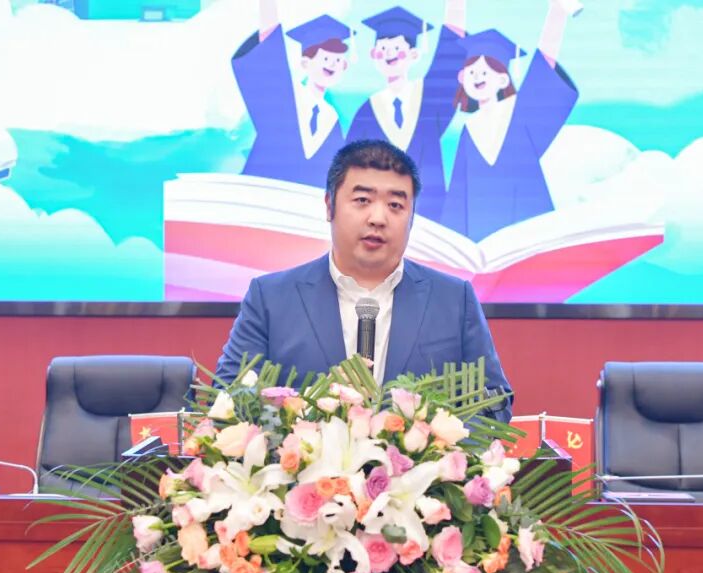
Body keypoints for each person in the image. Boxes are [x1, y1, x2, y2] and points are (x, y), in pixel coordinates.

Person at [215, 139, 512, 423]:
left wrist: (436, 445)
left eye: (395, 205)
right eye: (362, 200)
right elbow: (228, 401)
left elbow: (493, 405)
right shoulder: (271, 298)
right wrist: (307, 418)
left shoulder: (453, 299)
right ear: (329, 205)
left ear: (412, 217)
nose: (378, 218)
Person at [439, 0, 579, 242]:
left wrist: (556, 13)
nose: (477, 77)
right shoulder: (470, 128)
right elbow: (459, 195)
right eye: (471, 72)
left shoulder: (518, 112)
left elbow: (542, 68)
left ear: (503, 80)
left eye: (485, 72)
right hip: (481, 237)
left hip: (526, 231)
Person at [346, 3, 467, 224]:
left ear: (414, 55)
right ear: (373, 55)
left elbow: (450, 54)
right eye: (382, 49)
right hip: (376, 219)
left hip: (429, 216)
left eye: (396, 49)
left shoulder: (430, 95)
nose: (389, 55)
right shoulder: (366, 112)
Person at [232, 1, 352, 187]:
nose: (332, 64)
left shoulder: (330, 118)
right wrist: (268, 7)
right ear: (305, 63)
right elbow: (270, 54)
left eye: (338, 60)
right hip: (261, 190)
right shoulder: (287, 94)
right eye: (326, 58)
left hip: (304, 200)